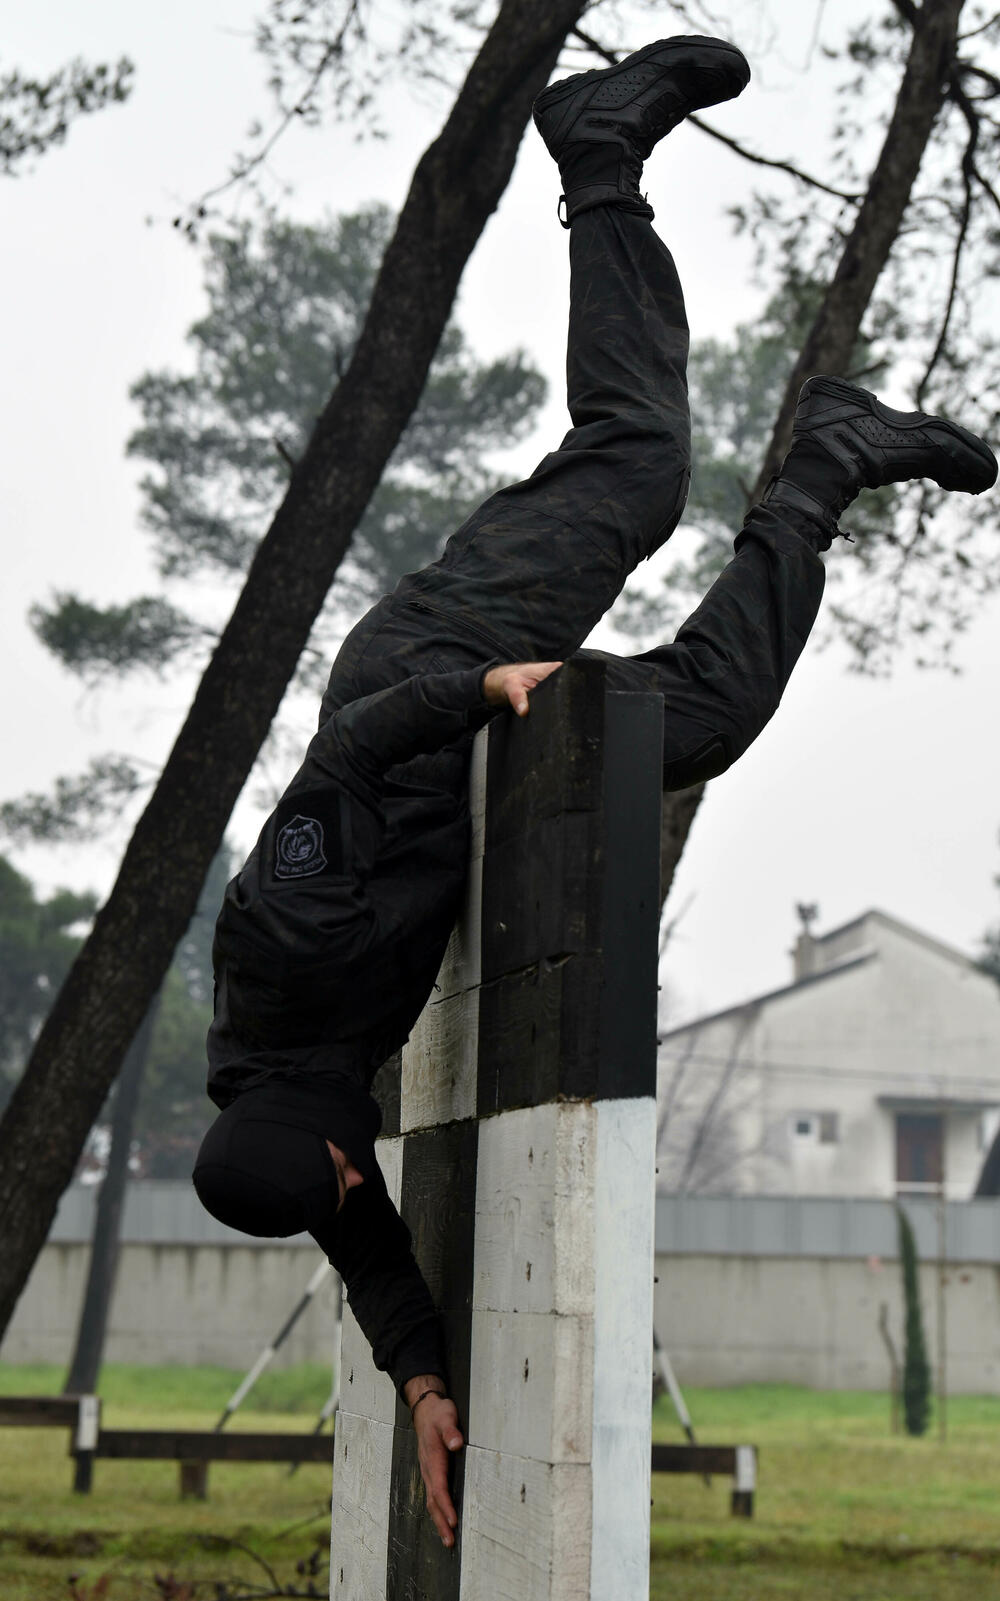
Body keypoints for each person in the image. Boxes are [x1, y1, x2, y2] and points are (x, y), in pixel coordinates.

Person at [193, 36, 997, 1548]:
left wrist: (480, 686)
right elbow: (369, 1255)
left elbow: (343, 748)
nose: (359, 1173)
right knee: (712, 712)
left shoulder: (275, 949)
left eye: (340, 1165)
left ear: (307, 1126)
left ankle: (598, 153)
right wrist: (428, 1381)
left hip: (429, 671)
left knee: (635, 470)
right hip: (476, 776)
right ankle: (825, 462)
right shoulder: (302, 1129)